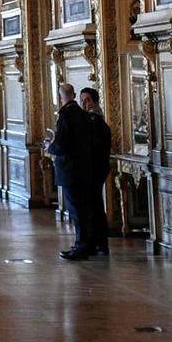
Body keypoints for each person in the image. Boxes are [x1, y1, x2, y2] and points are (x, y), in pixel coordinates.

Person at [45, 82, 100, 260]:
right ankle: (89, 244)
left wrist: (50, 147)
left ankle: (81, 246)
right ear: (74, 95)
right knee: (85, 209)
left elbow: (61, 145)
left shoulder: (66, 115)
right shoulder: (84, 115)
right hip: (84, 168)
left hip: (70, 170)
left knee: (77, 211)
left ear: (61, 97)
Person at [76, 87, 113, 256]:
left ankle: (97, 243)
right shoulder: (91, 119)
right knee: (94, 206)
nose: (84, 103)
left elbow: (92, 147)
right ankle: (97, 242)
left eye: (88, 100)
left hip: (94, 169)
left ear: (94, 101)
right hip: (93, 169)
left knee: (94, 207)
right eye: (82, 100)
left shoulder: (95, 121)